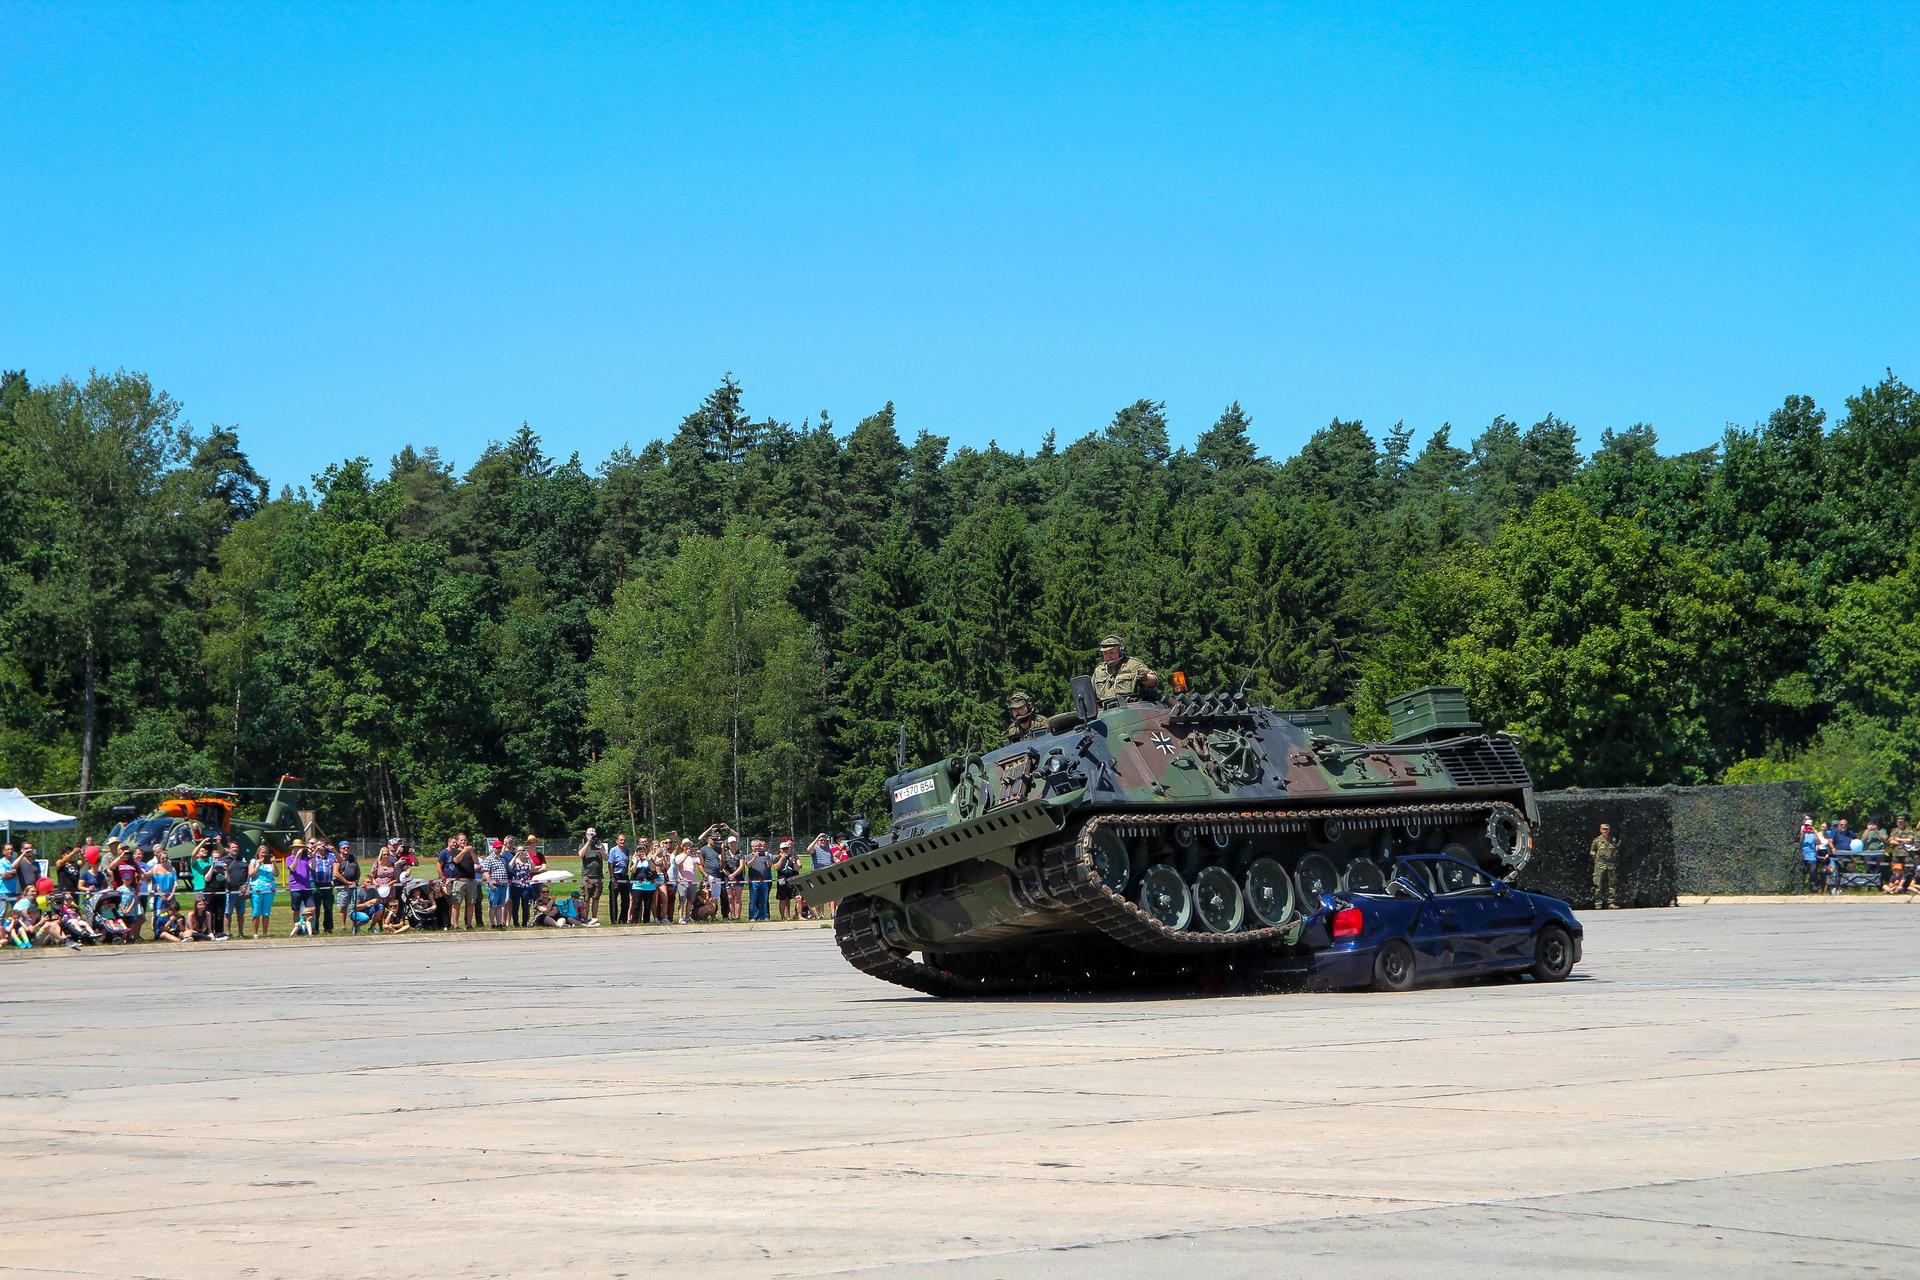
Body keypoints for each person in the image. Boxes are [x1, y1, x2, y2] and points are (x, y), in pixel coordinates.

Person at [1090, 635, 1159, 709]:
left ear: (1121, 651)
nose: (1108, 657)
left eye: (1111, 653)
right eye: (1105, 653)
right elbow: (1090, 694)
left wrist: (1145, 678)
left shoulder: (1133, 665)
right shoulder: (1099, 670)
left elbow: (1153, 681)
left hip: (1130, 710)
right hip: (1105, 713)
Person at [577, 828, 606, 924]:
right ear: (586, 835)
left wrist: (601, 849)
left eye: (593, 834)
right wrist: (588, 842)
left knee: (596, 898)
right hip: (587, 876)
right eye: (590, 834)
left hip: (598, 876)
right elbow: (581, 854)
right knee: (586, 898)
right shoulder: (583, 845)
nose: (592, 836)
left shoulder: (599, 845)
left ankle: (594, 918)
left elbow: (606, 858)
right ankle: (585, 918)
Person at [247, 848, 277, 938]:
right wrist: (258, 864)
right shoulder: (254, 861)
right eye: (262, 852)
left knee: (266, 913)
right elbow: (251, 873)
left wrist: (273, 863)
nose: (264, 854)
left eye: (266, 853)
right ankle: (255, 933)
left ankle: (265, 932)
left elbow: (276, 874)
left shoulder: (270, 863)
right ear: (258, 853)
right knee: (256, 912)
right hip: (257, 890)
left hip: (269, 890)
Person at [483, 839, 511, 929]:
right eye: (497, 848)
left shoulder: (502, 858)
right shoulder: (489, 859)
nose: (499, 849)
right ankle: (492, 924)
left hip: (503, 885)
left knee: (500, 906)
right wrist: (490, 884)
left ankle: (499, 923)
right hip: (494, 885)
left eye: (500, 848)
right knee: (493, 905)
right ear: (493, 848)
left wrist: (506, 883)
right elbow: (486, 872)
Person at [1589, 823, 1618, 909]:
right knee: (1598, 884)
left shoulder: (1612, 840)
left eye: (1607, 829)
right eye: (1604, 829)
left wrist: (1612, 857)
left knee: (1612, 884)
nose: (1605, 831)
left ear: (1609, 830)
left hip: (1610, 864)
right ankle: (1598, 903)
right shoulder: (1597, 841)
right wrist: (1597, 860)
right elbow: (1592, 851)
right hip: (1600, 864)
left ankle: (1611, 902)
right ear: (1600, 830)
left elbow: (1615, 850)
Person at [745, 838, 773, 921]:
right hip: (753, 881)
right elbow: (749, 865)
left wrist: (767, 857)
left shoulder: (764, 855)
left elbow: (769, 865)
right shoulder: (748, 856)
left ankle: (763, 916)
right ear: (752, 847)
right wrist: (754, 857)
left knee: (763, 900)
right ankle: (752, 916)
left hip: (763, 881)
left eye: (759, 846)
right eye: (756, 846)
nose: (757, 848)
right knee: (753, 900)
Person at [775, 840, 802, 921]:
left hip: (793, 878)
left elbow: (797, 869)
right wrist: (782, 859)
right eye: (783, 849)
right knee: (782, 899)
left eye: (787, 848)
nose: (785, 850)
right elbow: (776, 868)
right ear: (780, 849)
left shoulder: (793, 857)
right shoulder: (777, 857)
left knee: (798, 897)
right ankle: (783, 917)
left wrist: (793, 860)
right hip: (782, 879)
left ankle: (799, 915)